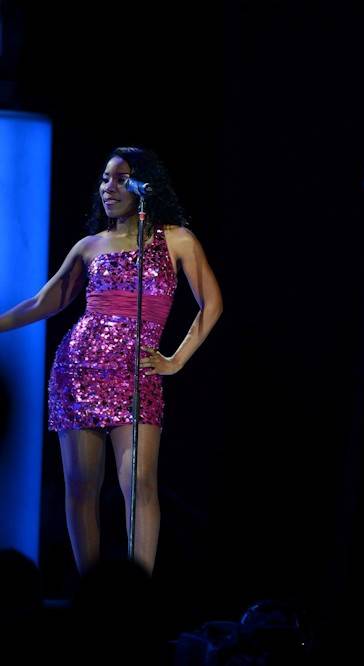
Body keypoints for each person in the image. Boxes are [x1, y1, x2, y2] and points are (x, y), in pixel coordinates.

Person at [0, 147, 223, 575]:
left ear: (144, 186)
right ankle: (91, 595)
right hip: (77, 371)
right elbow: (43, 302)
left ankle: (137, 594)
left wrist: (176, 360)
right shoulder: (89, 246)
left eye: (121, 179)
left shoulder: (177, 239)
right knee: (81, 486)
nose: (109, 187)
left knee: (139, 484)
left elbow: (211, 304)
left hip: (137, 375)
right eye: (105, 179)